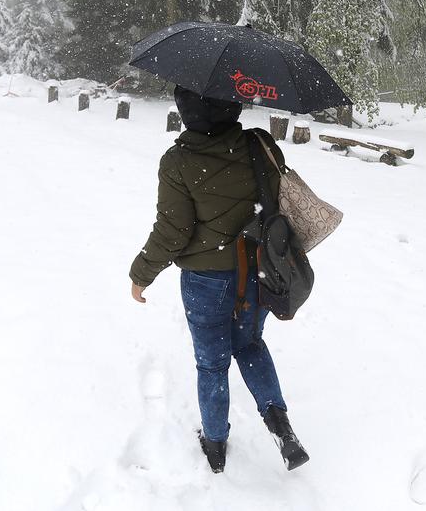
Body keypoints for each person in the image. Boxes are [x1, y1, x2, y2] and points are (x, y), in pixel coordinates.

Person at [129, 86, 309, 474]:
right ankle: (281, 425)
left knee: (212, 365)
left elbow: (173, 232)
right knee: (250, 344)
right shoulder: (260, 145)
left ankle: (214, 446)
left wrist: (141, 273)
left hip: (206, 280)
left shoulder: (178, 161)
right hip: (258, 271)